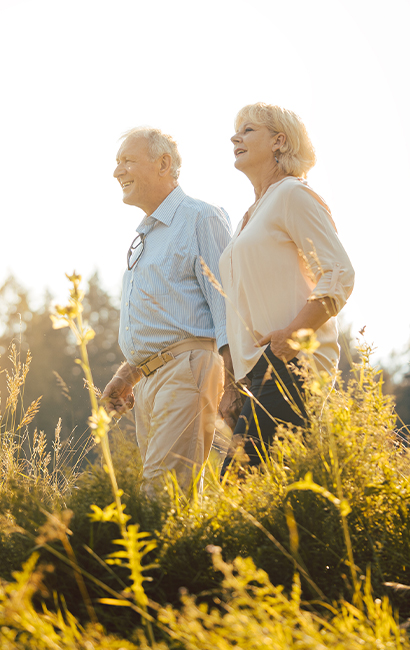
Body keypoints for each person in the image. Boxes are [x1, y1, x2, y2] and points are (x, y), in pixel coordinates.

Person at [101, 127, 241, 494]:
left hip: (187, 371)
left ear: (164, 164)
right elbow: (166, 317)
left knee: (160, 494)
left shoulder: (201, 218)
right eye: (117, 163)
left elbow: (225, 305)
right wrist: (128, 375)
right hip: (148, 382)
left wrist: (233, 385)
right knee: (166, 496)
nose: (117, 172)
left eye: (127, 161)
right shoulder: (147, 233)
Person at [219, 102, 355, 473]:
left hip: (292, 363)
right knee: (274, 491)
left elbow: (339, 272)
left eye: (248, 130)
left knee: (236, 486)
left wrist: (293, 336)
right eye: (236, 130)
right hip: (256, 374)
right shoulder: (249, 216)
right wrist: (233, 382)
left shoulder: (293, 194)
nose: (235, 136)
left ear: (279, 141)